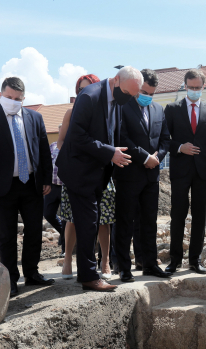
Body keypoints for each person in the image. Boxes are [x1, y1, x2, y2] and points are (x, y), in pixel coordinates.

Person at [56, 66, 142, 291]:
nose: (130, 99)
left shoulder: (116, 100)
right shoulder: (90, 96)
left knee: (91, 222)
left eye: (134, 95)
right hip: (79, 172)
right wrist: (109, 152)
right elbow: (77, 136)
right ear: (115, 80)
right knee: (87, 223)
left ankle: (87, 273)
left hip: (97, 173)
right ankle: (89, 277)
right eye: (128, 93)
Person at [0, 77, 54, 297]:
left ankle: (32, 273)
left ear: (24, 98)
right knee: (7, 234)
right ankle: (10, 279)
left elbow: (43, 149)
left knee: (34, 231)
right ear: (1, 95)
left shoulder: (35, 117)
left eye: (18, 99)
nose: (13, 101)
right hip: (2, 187)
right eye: (9, 97)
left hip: (32, 184)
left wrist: (47, 179)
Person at [115, 69, 172, 282]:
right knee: (125, 222)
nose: (147, 96)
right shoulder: (123, 107)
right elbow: (122, 138)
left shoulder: (158, 110)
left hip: (151, 176)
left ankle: (150, 264)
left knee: (149, 222)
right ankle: (124, 267)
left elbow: (165, 138)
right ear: (138, 87)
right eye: (144, 91)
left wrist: (158, 156)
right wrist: (144, 157)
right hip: (129, 174)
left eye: (152, 93)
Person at [164, 69, 206, 274]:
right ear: (185, 86)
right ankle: (175, 260)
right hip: (180, 169)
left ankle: (195, 260)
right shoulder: (172, 109)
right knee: (177, 214)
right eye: (191, 87)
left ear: (203, 87)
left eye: (198, 88)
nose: (195, 90)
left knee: (200, 215)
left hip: (203, 172)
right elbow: (164, 141)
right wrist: (180, 147)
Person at [56, 74, 99, 279]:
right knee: (71, 219)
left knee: (97, 219)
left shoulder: (102, 112)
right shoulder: (71, 112)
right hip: (74, 173)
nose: (84, 93)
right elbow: (60, 142)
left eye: (88, 88)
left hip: (96, 173)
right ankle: (67, 260)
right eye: (81, 89)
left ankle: (97, 262)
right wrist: (73, 160)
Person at [45, 126, 65, 256]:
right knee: (48, 213)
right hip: (52, 187)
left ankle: (65, 248)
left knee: (66, 218)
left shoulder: (71, 147)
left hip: (66, 188)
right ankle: (64, 233)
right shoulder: (52, 146)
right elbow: (46, 165)